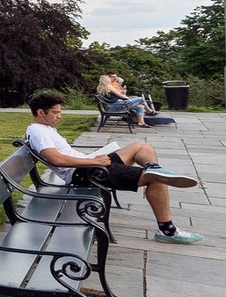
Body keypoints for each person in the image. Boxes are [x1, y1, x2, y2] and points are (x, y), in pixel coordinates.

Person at [26, 90, 202, 244]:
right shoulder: (39, 132)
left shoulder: (44, 129)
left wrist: (93, 157)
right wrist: (95, 161)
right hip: (84, 174)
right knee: (158, 180)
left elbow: (64, 155)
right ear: (41, 112)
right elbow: (57, 160)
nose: (59, 116)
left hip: (87, 165)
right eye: (56, 113)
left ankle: (153, 167)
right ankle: (168, 231)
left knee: (142, 146)